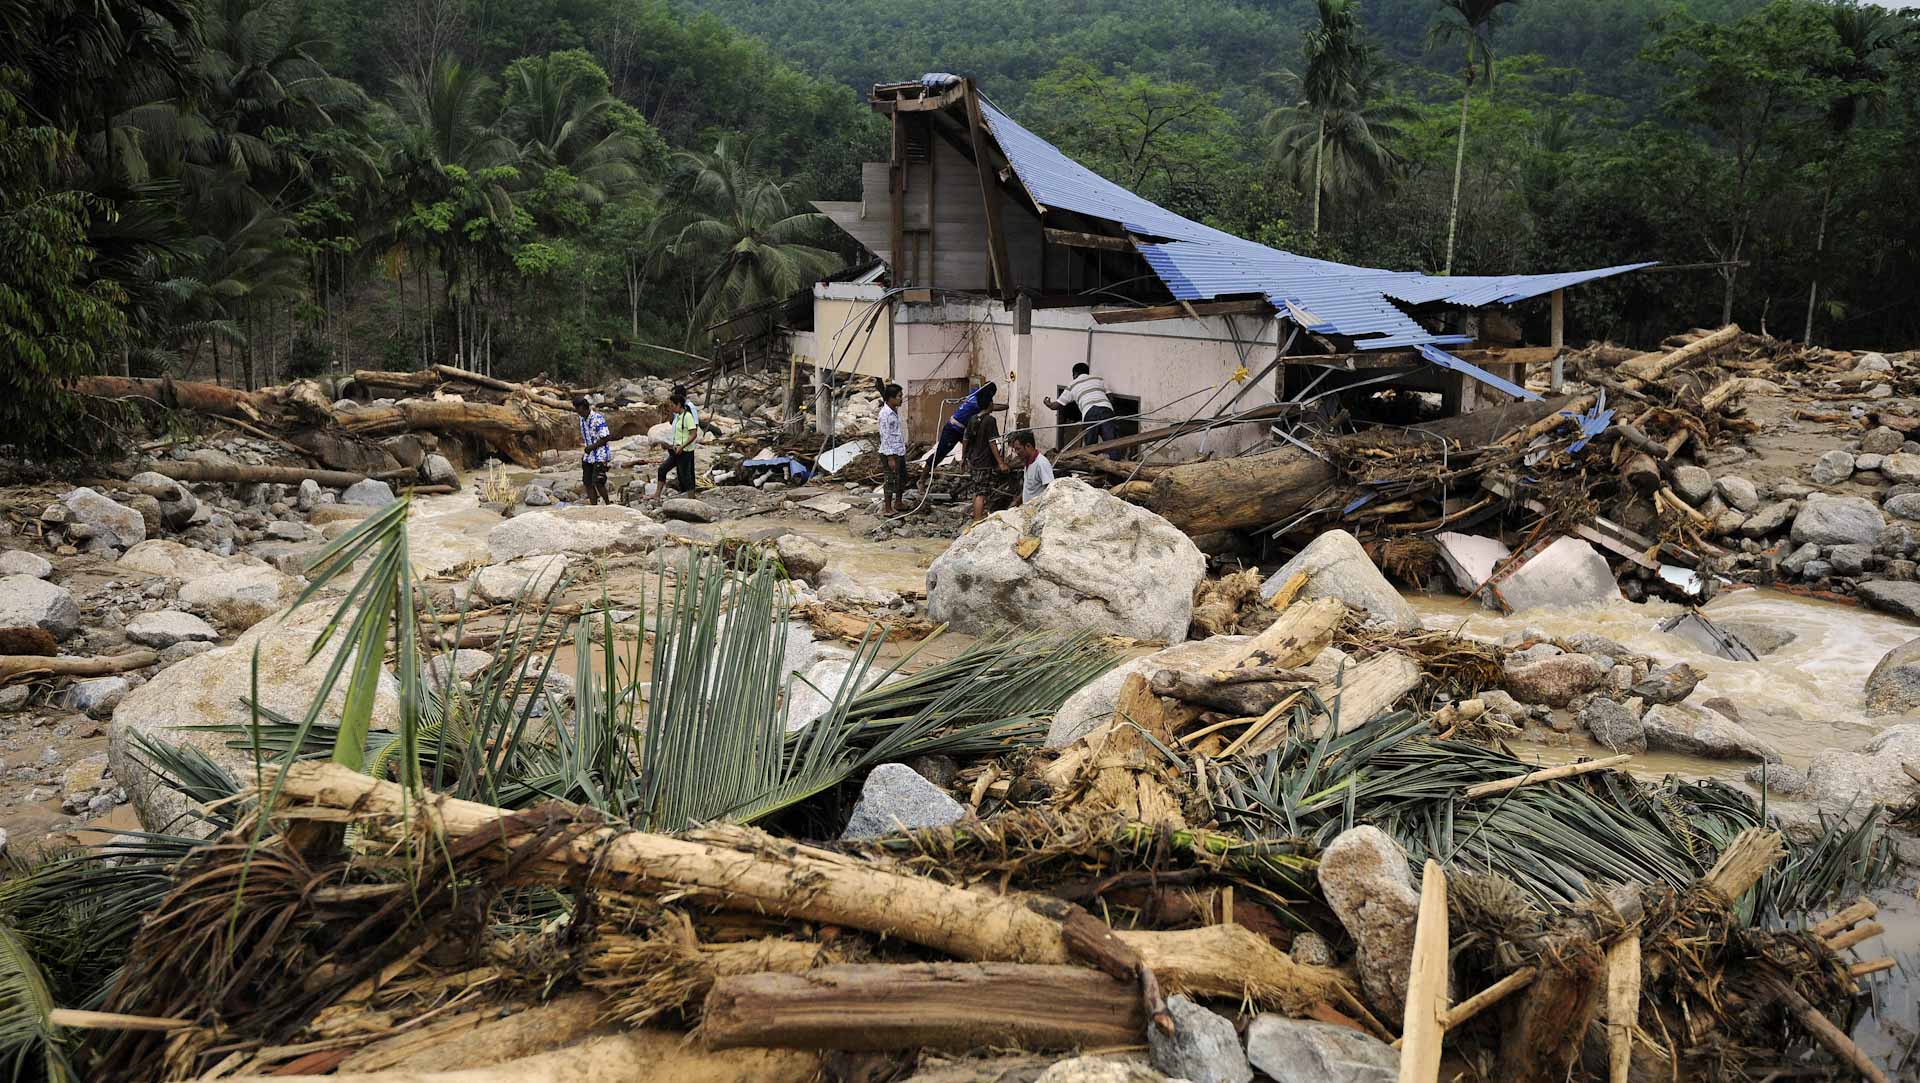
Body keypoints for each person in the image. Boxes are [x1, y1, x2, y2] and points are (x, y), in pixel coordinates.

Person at [1045, 363, 1119, 456]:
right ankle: (1115, 461)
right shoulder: (1098, 379)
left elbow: (1055, 406)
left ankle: (1092, 467)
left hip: (1089, 412)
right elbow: (1111, 398)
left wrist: (1047, 403)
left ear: (1075, 374)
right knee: (1112, 444)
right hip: (1106, 409)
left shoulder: (1072, 385)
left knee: (1091, 449)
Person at [930, 381, 996, 474]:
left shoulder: (975, 394)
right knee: (939, 455)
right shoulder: (977, 403)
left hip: (962, 429)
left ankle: (969, 468)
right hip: (953, 429)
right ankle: (922, 480)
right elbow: (990, 408)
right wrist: (1005, 406)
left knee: (973, 449)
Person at [962, 400, 1006, 525]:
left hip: (973, 461)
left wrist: (963, 457)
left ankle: (975, 516)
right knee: (981, 493)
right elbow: (992, 442)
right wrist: (1000, 462)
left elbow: (965, 439)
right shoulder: (989, 420)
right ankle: (976, 521)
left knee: (976, 491)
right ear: (990, 404)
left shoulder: (972, 419)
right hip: (984, 462)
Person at [656, 388, 698, 499]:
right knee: (662, 469)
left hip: (685, 451)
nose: (671, 407)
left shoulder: (687, 416)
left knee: (686, 476)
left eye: (673, 405)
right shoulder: (678, 417)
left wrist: (682, 446)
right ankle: (656, 495)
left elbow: (693, 434)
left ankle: (691, 499)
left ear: (679, 405)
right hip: (676, 450)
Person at [573, 396, 612, 505]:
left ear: (585, 408)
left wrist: (591, 447)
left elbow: (606, 437)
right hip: (588, 455)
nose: (578, 412)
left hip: (600, 454)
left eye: (579, 409)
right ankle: (594, 507)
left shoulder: (597, 418)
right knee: (588, 483)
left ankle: (608, 504)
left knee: (599, 482)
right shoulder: (582, 419)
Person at [878, 382, 908, 515]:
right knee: (890, 479)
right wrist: (890, 457)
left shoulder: (893, 412)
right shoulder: (884, 415)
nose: (901, 399)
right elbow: (885, 436)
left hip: (899, 450)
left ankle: (899, 502)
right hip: (889, 452)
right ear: (890, 398)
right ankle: (888, 508)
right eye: (899, 396)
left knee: (902, 477)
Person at [1008, 429, 1053, 506]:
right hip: (1028, 510)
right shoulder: (1027, 462)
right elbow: (1029, 487)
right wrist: (1017, 501)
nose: (1017, 453)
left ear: (1028, 446)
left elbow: (1051, 490)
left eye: (1018, 449)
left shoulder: (1041, 463)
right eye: (1015, 450)